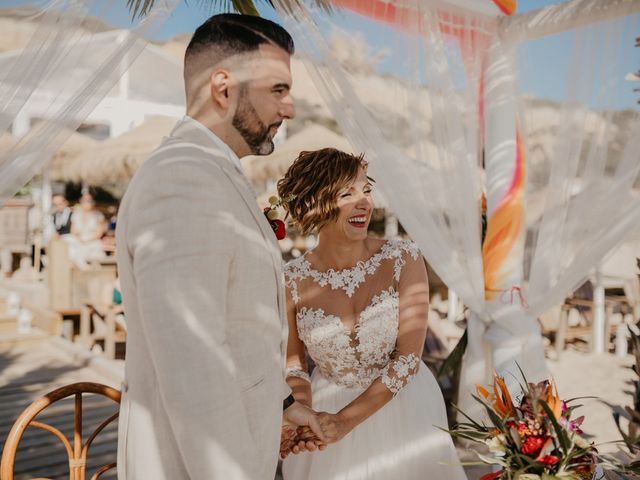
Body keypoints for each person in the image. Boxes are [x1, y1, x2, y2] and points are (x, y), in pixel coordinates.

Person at [115, 14, 325, 480]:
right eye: (278, 89)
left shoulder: (213, 172)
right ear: (224, 87)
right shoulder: (182, 180)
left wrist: (283, 405)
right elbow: (195, 368)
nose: (289, 109)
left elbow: (239, 328)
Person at [277, 148, 468, 479]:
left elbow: (407, 360)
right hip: (327, 410)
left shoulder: (403, 259)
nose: (364, 202)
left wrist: (344, 421)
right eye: (347, 192)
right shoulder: (291, 279)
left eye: (366, 189)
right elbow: (295, 365)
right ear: (314, 202)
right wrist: (306, 413)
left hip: (405, 408)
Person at [67, 192, 106, 268]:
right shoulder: (76, 215)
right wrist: (80, 239)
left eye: (89, 200)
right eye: (85, 200)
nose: (87, 202)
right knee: (71, 247)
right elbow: (73, 231)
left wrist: (87, 240)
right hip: (79, 239)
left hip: (92, 240)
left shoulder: (98, 215)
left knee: (90, 250)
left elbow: (99, 233)